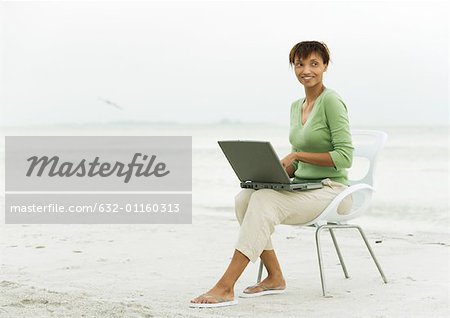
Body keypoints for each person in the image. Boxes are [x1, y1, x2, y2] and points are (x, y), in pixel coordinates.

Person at [190, 41, 353, 308]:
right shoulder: (295, 106)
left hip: (332, 190)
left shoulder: (332, 102)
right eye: (300, 64)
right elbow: (298, 160)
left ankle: (225, 286)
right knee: (245, 198)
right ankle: (275, 276)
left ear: (325, 66)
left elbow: (344, 157)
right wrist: (275, 171)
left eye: (314, 63)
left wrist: (297, 156)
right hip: (305, 186)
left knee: (265, 202)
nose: (306, 70)